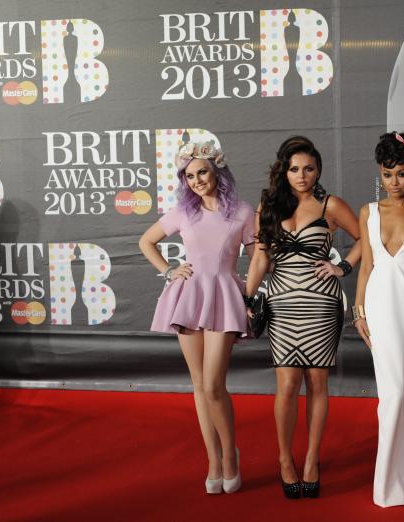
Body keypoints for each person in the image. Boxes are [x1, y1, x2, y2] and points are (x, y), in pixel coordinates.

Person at [244, 136, 361, 499]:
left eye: (309, 168)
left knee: (317, 382)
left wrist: (343, 267)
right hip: (281, 304)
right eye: (294, 169)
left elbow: (366, 239)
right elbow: (260, 257)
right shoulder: (269, 206)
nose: (302, 175)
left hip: (321, 304)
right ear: (284, 171)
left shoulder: (330, 205)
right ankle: (284, 459)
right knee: (287, 384)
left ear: (318, 170)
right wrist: (248, 298)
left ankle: (311, 459)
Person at [139, 141, 255, 495]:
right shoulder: (183, 212)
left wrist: (250, 294)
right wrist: (168, 270)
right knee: (200, 387)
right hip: (189, 296)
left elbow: (258, 257)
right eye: (189, 176)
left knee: (214, 385)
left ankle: (231, 457)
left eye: (202, 172)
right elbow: (146, 242)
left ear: (218, 171)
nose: (197, 181)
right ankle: (214, 462)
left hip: (224, 296)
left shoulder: (243, 212)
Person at [353, 132, 404, 507]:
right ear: (380, 172)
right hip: (380, 308)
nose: (394, 182)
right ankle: (386, 482)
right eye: (387, 174)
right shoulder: (368, 212)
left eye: (401, 174)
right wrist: (358, 310)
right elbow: (367, 266)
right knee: (393, 394)